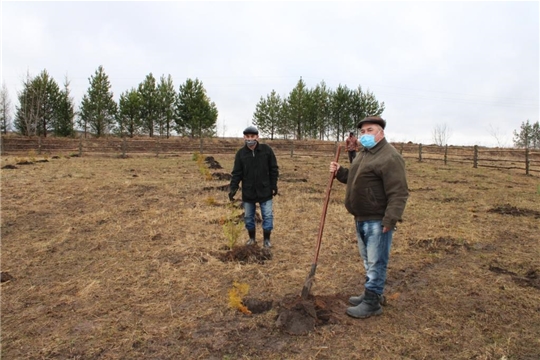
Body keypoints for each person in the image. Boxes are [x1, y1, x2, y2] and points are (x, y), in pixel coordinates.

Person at [329, 115, 409, 319]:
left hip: (377, 219)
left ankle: (372, 303)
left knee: (376, 261)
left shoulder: (390, 157)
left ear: (381, 133)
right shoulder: (364, 153)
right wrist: (340, 172)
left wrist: (390, 220)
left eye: (370, 130)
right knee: (368, 260)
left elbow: (398, 192)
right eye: (362, 132)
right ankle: (372, 293)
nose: (365, 135)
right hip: (361, 216)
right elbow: (355, 178)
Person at [229, 126, 279, 248]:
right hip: (248, 191)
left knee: (267, 215)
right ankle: (252, 239)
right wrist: (233, 188)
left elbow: (273, 169)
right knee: (248, 217)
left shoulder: (266, 150)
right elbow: (237, 173)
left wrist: (273, 185)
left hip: (265, 190)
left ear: (257, 137)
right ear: (244, 137)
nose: (250, 139)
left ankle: (267, 240)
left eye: (252, 136)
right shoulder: (241, 154)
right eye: (248, 137)